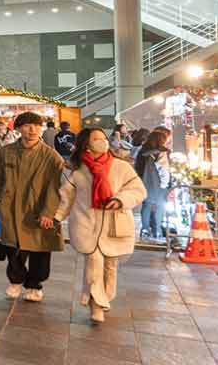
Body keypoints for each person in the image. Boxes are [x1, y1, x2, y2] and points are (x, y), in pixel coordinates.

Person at [54, 127, 145, 323]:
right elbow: (66, 197)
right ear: (86, 143)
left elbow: (137, 190)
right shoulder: (77, 170)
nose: (103, 142)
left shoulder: (121, 166)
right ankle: (96, 304)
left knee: (111, 266)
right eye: (97, 139)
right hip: (86, 224)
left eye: (104, 138)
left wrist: (121, 199)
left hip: (115, 223)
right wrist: (57, 217)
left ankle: (105, 298)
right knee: (94, 263)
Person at [0, 112, 64, 302]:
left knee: (40, 249)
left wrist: (48, 212)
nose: (33, 130)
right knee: (13, 246)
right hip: (11, 208)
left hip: (37, 210)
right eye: (28, 126)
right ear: (18, 128)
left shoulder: (51, 156)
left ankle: (34, 285)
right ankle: (16, 281)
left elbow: (55, 188)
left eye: (37, 126)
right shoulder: (6, 152)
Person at [134, 128, 171, 241]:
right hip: (159, 184)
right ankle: (157, 230)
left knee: (146, 206)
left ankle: (144, 230)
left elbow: (137, 167)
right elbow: (164, 170)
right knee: (160, 207)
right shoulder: (162, 152)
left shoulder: (142, 151)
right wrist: (165, 185)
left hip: (144, 182)